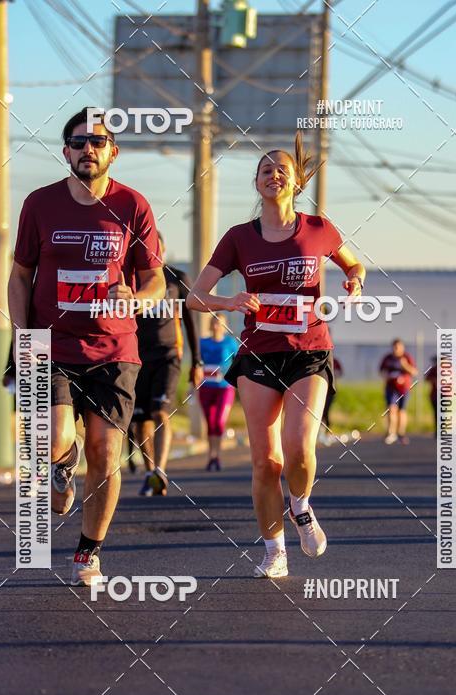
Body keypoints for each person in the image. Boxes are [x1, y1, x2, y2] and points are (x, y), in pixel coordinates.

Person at [187, 132, 366, 577]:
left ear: (296, 182)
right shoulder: (238, 238)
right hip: (258, 355)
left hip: (308, 350)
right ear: (257, 183)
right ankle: (274, 551)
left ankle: (301, 506)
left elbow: (354, 264)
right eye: (265, 169)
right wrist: (230, 302)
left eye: (281, 168)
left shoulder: (319, 230)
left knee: (299, 448)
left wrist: (355, 281)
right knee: (266, 462)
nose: (273, 174)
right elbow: (195, 296)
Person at [8, 107, 165, 586]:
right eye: (78, 142)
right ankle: (59, 467)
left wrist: (137, 299)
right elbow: (19, 276)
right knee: (55, 439)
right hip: (51, 345)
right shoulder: (39, 204)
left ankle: (87, 552)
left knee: (105, 450)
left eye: (96, 142)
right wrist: (23, 335)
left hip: (114, 349)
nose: (87, 150)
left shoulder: (133, 206)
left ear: (112, 152)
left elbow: (155, 277)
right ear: (66, 152)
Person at [131, 233, 203, 496]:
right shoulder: (131, 278)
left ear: (162, 248)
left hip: (168, 355)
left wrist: (197, 361)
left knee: (161, 411)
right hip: (136, 359)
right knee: (140, 419)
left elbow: (191, 323)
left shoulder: (176, 278)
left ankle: (160, 469)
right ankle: (150, 471)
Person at [198, 314, 239, 471]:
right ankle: (211, 456)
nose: (216, 326)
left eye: (219, 324)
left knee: (219, 422)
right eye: (214, 323)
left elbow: (237, 362)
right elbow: (197, 362)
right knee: (210, 422)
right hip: (206, 387)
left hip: (225, 388)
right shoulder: (203, 342)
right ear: (210, 325)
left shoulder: (230, 343)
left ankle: (218, 455)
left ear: (224, 326)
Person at [379, 339, 417, 445]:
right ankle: (391, 433)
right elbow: (382, 371)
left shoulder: (407, 357)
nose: (396, 349)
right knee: (391, 409)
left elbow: (414, 372)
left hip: (403, 388)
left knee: (401, 411)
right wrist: (385, 375)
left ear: (402, 347)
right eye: (394, 347)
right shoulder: (387, 358)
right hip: (391, 388)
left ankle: (401, 433)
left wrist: (405, 366)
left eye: (398, 347)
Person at [425, 355, 438, 437]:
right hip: (434, 395)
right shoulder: (433, 369)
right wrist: (435, 380)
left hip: (446, 395)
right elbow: (427, 378)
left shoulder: (449, 370)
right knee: (436, 413)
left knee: (443, 413)